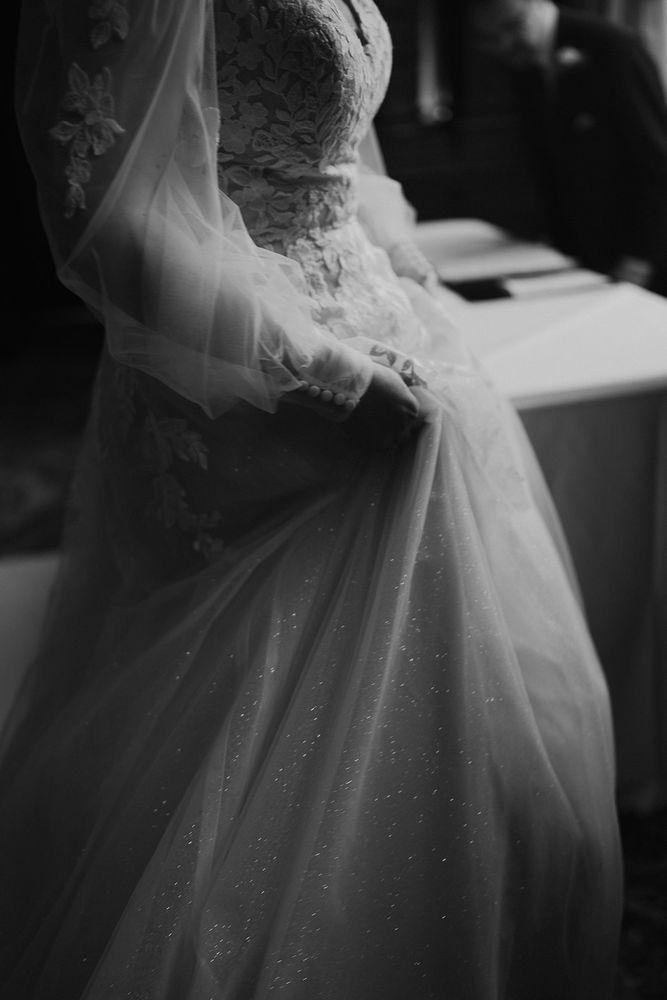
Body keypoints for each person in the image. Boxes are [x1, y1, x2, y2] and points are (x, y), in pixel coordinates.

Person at [1, 1, 622, 997]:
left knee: (452, 692)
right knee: (250, 703)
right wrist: (324, 373)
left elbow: (346, 151)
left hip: (386, 328)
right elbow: (111, 215)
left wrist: (408, 279)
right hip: (240, 369)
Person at [469, 0, 667, 297]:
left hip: (638, 251)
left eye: (513, 27)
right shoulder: (524, 62)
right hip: (579, 250)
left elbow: (657, 163)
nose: (504, 44)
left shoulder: (613, 48)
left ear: (537, 5)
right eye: (490, 37)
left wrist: (639, 257)